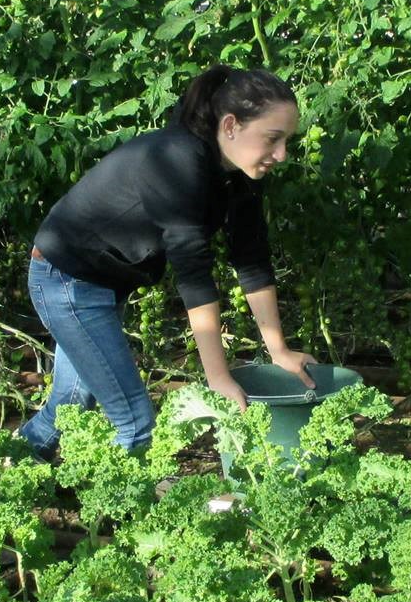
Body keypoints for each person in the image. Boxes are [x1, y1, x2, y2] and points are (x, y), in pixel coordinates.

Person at [18, 65, 318, 458]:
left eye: (286, 141)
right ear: (231, 125)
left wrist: (278, 350)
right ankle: (119, 513)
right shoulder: (178, 159)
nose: (281, 154)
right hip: (67, 279)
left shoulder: (238, 174)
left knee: (69, 407)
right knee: (136, 423)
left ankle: (8, 465)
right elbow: (193, 274)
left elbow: (252, 259)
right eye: (273, 138)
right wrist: (218, 376)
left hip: (101, 282)